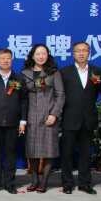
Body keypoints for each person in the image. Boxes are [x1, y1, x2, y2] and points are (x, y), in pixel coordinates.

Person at [21, 44, 65, 193]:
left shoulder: (54, 73)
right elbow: (22, 97)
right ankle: (34, 180)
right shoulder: (25, 73)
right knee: (32, 149)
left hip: (49, 116)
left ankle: (44, 181)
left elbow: (60, 95)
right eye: (38, 54)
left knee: (49, 150)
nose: (41, 56)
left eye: (44, 53)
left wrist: (54, 114)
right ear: (32, 56)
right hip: (31, 116)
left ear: (48, 55)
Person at [59, 42, 101, 194]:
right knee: (67, 153)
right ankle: (67, 183)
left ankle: (85, 183)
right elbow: (60, 95)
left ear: (89, 53)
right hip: (69, 118)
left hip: (88, 118)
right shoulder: (64, 72)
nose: (81, 53)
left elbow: (97, 92)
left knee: (86, 153)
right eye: (78, 51)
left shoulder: (97, 71)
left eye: (84, 50)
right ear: (73, 54)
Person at [0, 48, 27, 194]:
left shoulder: (19, 79)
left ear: (12, 60)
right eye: (2, 58)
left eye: (8, 58)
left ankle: (10, 183)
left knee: (11, 153)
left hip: (13, 122)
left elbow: (24, 101)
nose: (5, 61)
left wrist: (23, 120)